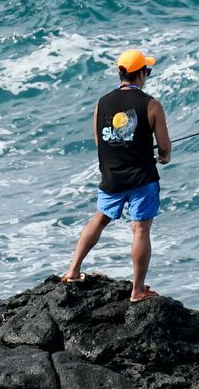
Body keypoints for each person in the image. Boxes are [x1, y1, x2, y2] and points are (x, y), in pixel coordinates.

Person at [62, 49, 171, 301]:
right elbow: (164, 147)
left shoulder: (102, 103)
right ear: (141, 73)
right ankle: (138, 290)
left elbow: (101, 142)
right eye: (148, 71)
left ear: (120, 73)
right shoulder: (152, 105)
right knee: (140, 230)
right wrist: (163, 156)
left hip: (111, 176)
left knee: (100, 218)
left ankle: (73, 270)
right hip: (142, 177)